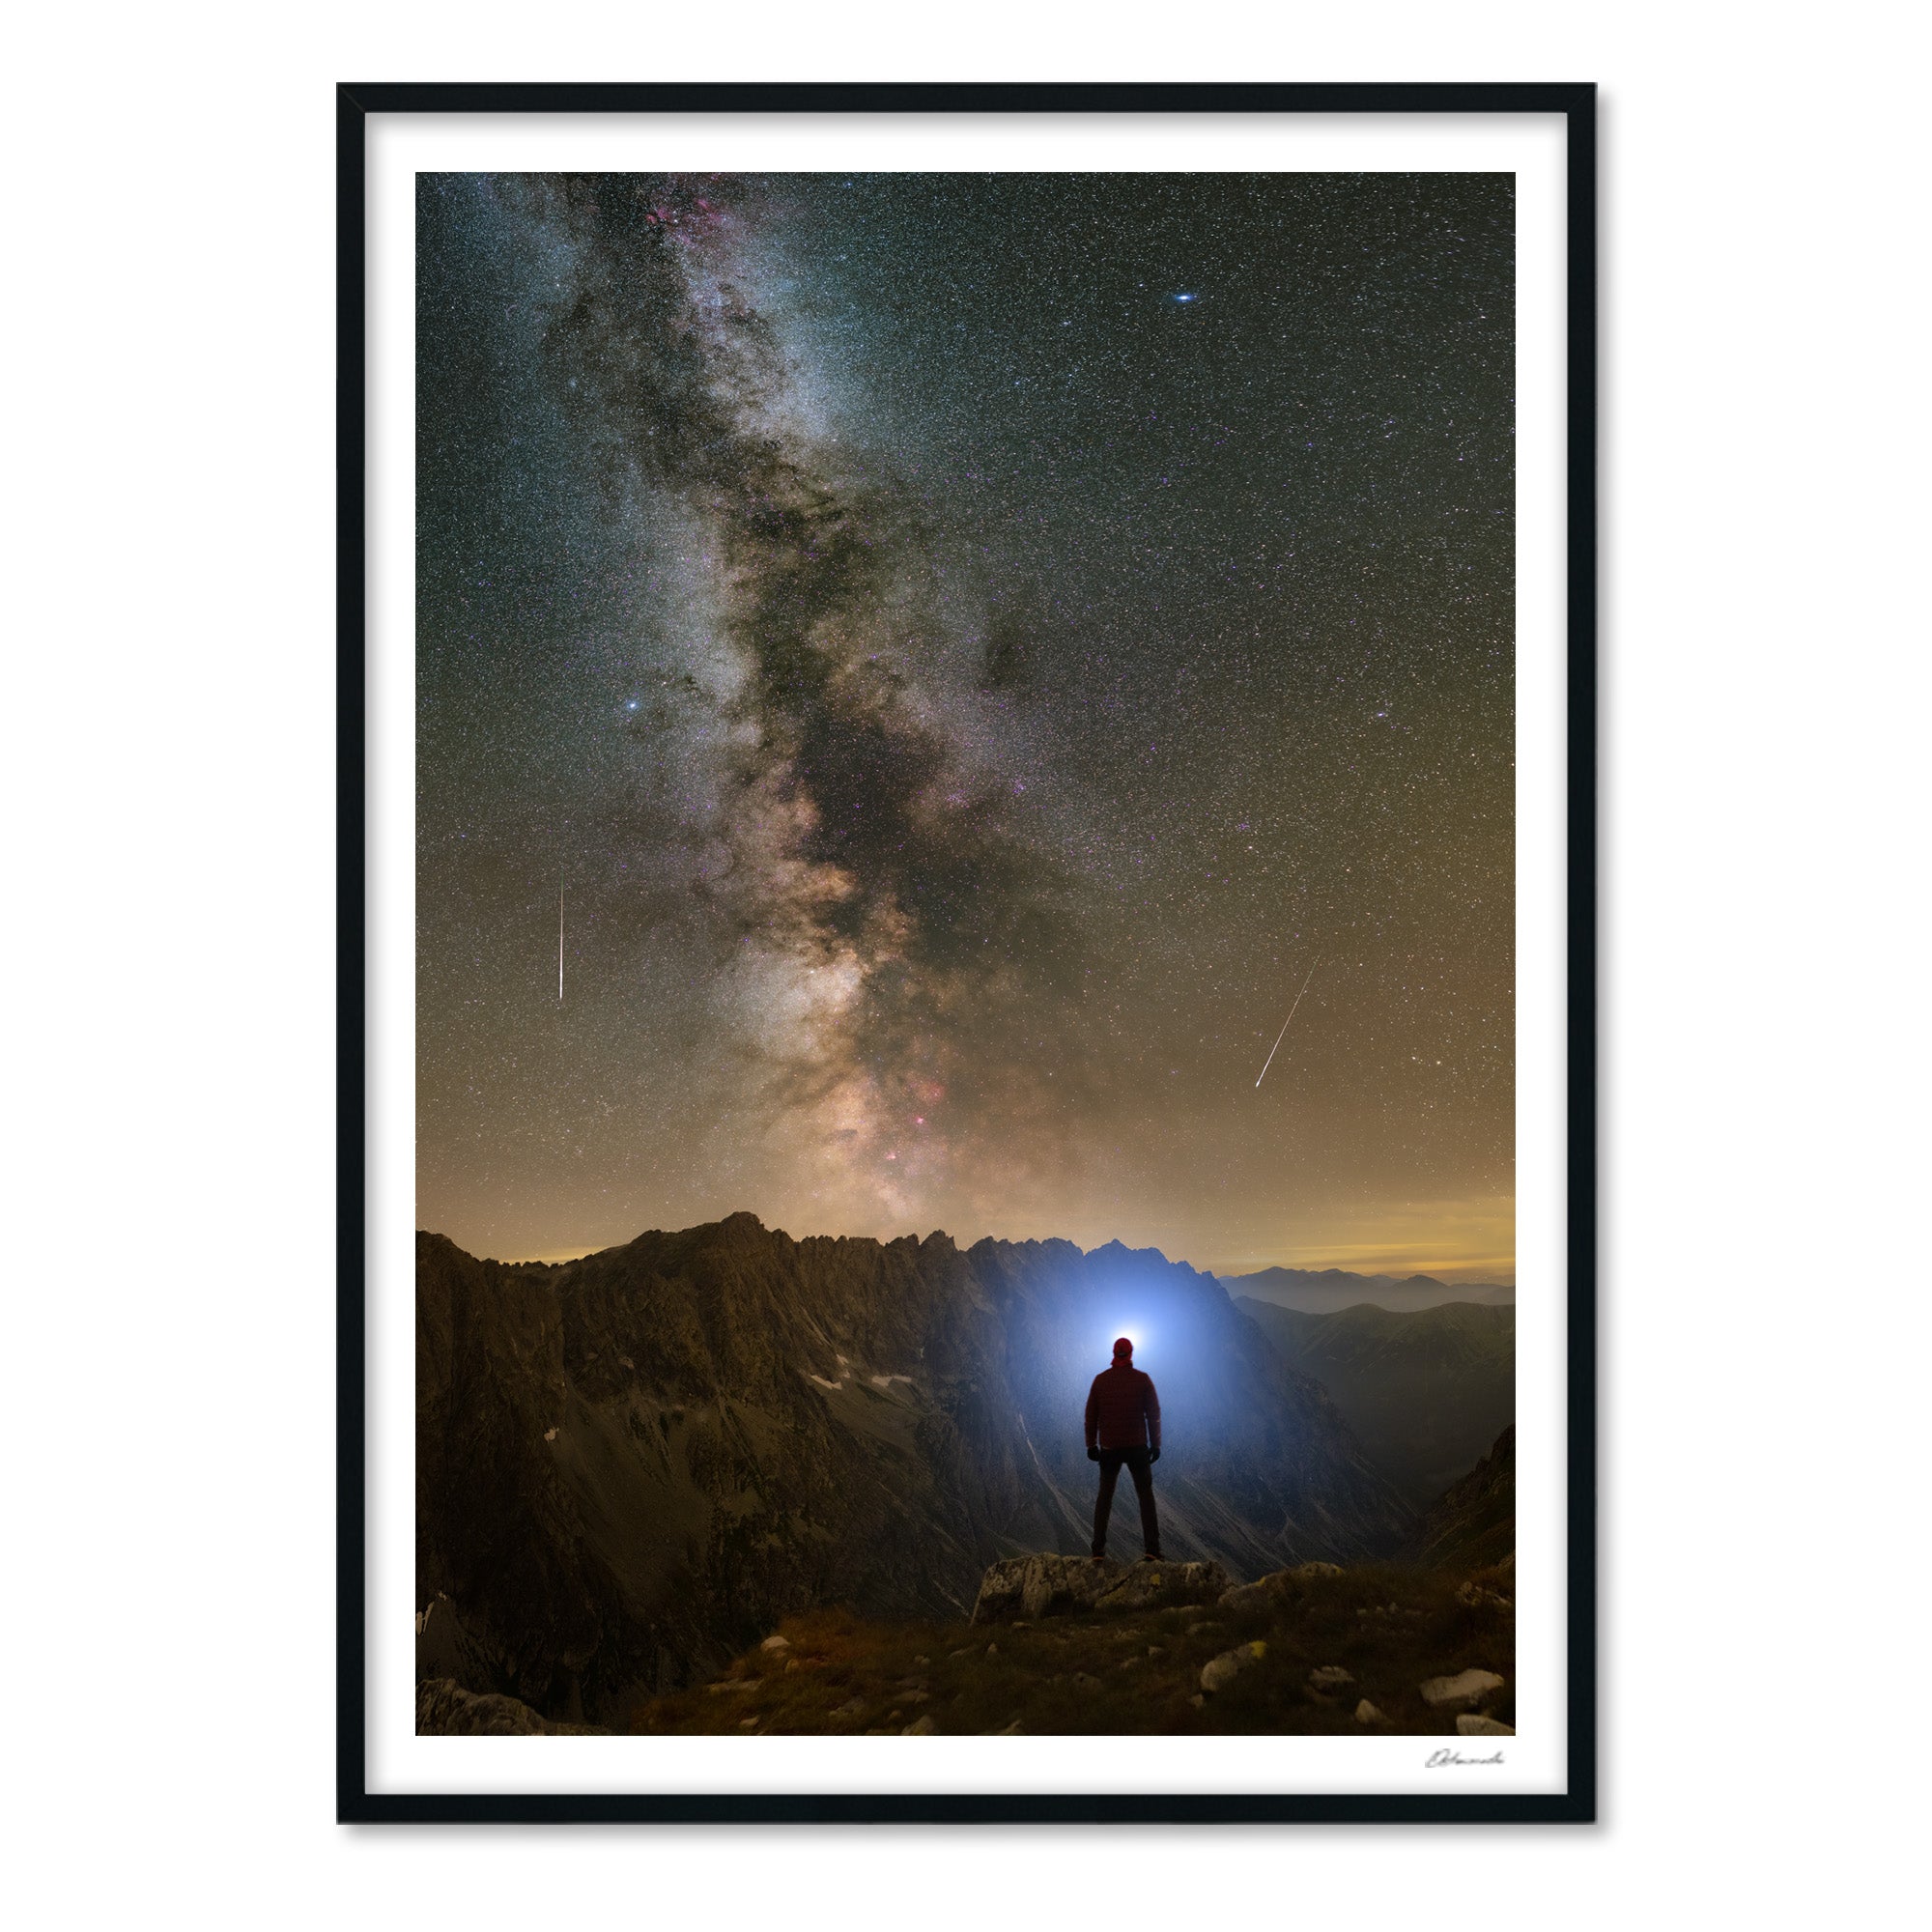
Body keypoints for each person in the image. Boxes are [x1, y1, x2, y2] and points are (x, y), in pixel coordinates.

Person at [1085, 1336, 1164, 1562]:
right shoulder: (1143, 1380)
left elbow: (1091, 1416)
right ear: (1130, 1354)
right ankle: (1152, 1550)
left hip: (1109, 1448)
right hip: (1137, 1447)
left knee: (1105, 1498)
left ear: (1113, 1353)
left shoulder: (1100, 1381)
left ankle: (1097, 1551)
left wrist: (1091, 1444)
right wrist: (1155, 1444)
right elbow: (1153, 1414)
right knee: (1145, 1497)